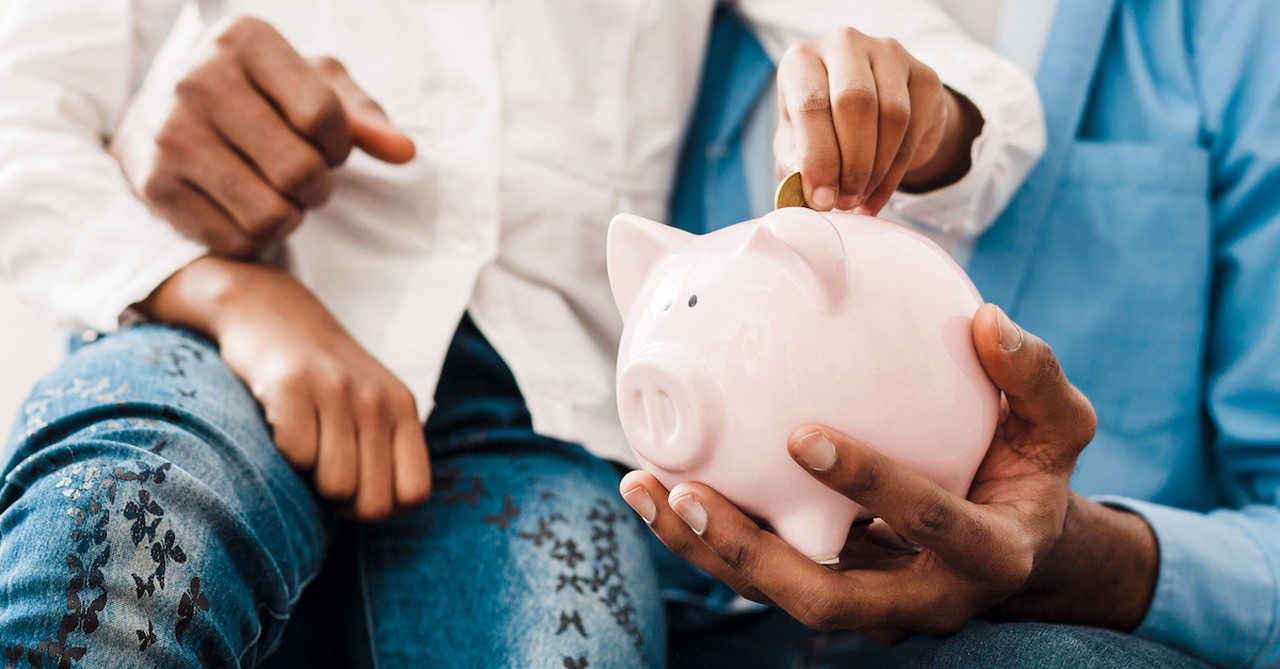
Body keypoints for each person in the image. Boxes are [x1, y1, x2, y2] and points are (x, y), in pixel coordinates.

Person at [0, 1, 1044, 666]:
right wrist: (224, 291)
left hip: (547, 413)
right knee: (127, 524)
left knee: (556, 642)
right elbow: (20, 114)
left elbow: (963, 89)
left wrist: (917, 115)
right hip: (215, 327)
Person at [638, 1, 1280, 667]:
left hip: (1072, 633)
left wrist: (1087, 559)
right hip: (705, 621)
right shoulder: (678, 42)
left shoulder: (1227, 30)